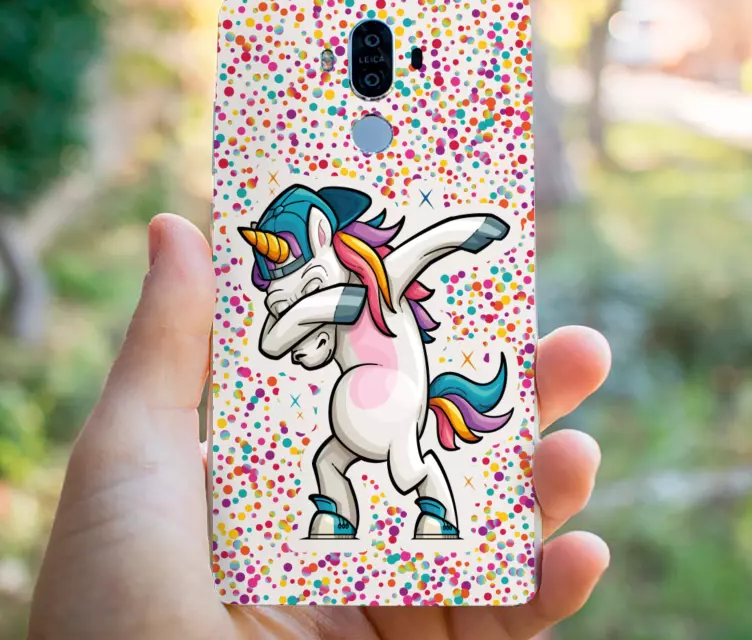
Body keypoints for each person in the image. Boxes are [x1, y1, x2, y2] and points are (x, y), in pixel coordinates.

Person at [28, 214, 612, 640]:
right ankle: (371, 518)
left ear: (325, 246)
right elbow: (281, 339)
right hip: (364, 416)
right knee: (343, 462)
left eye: (307, 283)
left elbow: (416, 253)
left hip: (384, 401)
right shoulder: (339, 304)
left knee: (389, 464)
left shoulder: (371, 290)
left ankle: (413, 515)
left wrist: (467, 232)